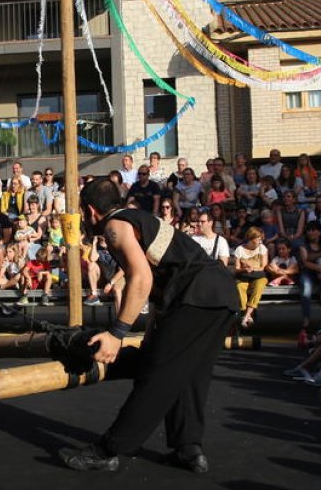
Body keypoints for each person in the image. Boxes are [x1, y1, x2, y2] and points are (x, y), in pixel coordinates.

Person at [59, 178, 237, 474]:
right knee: (190, 374)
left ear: (91, 211)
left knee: (157, 377)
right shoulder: (142, 218)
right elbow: (160, 287)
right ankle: (188, 449)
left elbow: (142, 279)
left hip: (195, 296)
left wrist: (117, 334)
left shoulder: (115, 227)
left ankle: (108, 451)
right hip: (220, 295)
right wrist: (153, 334)